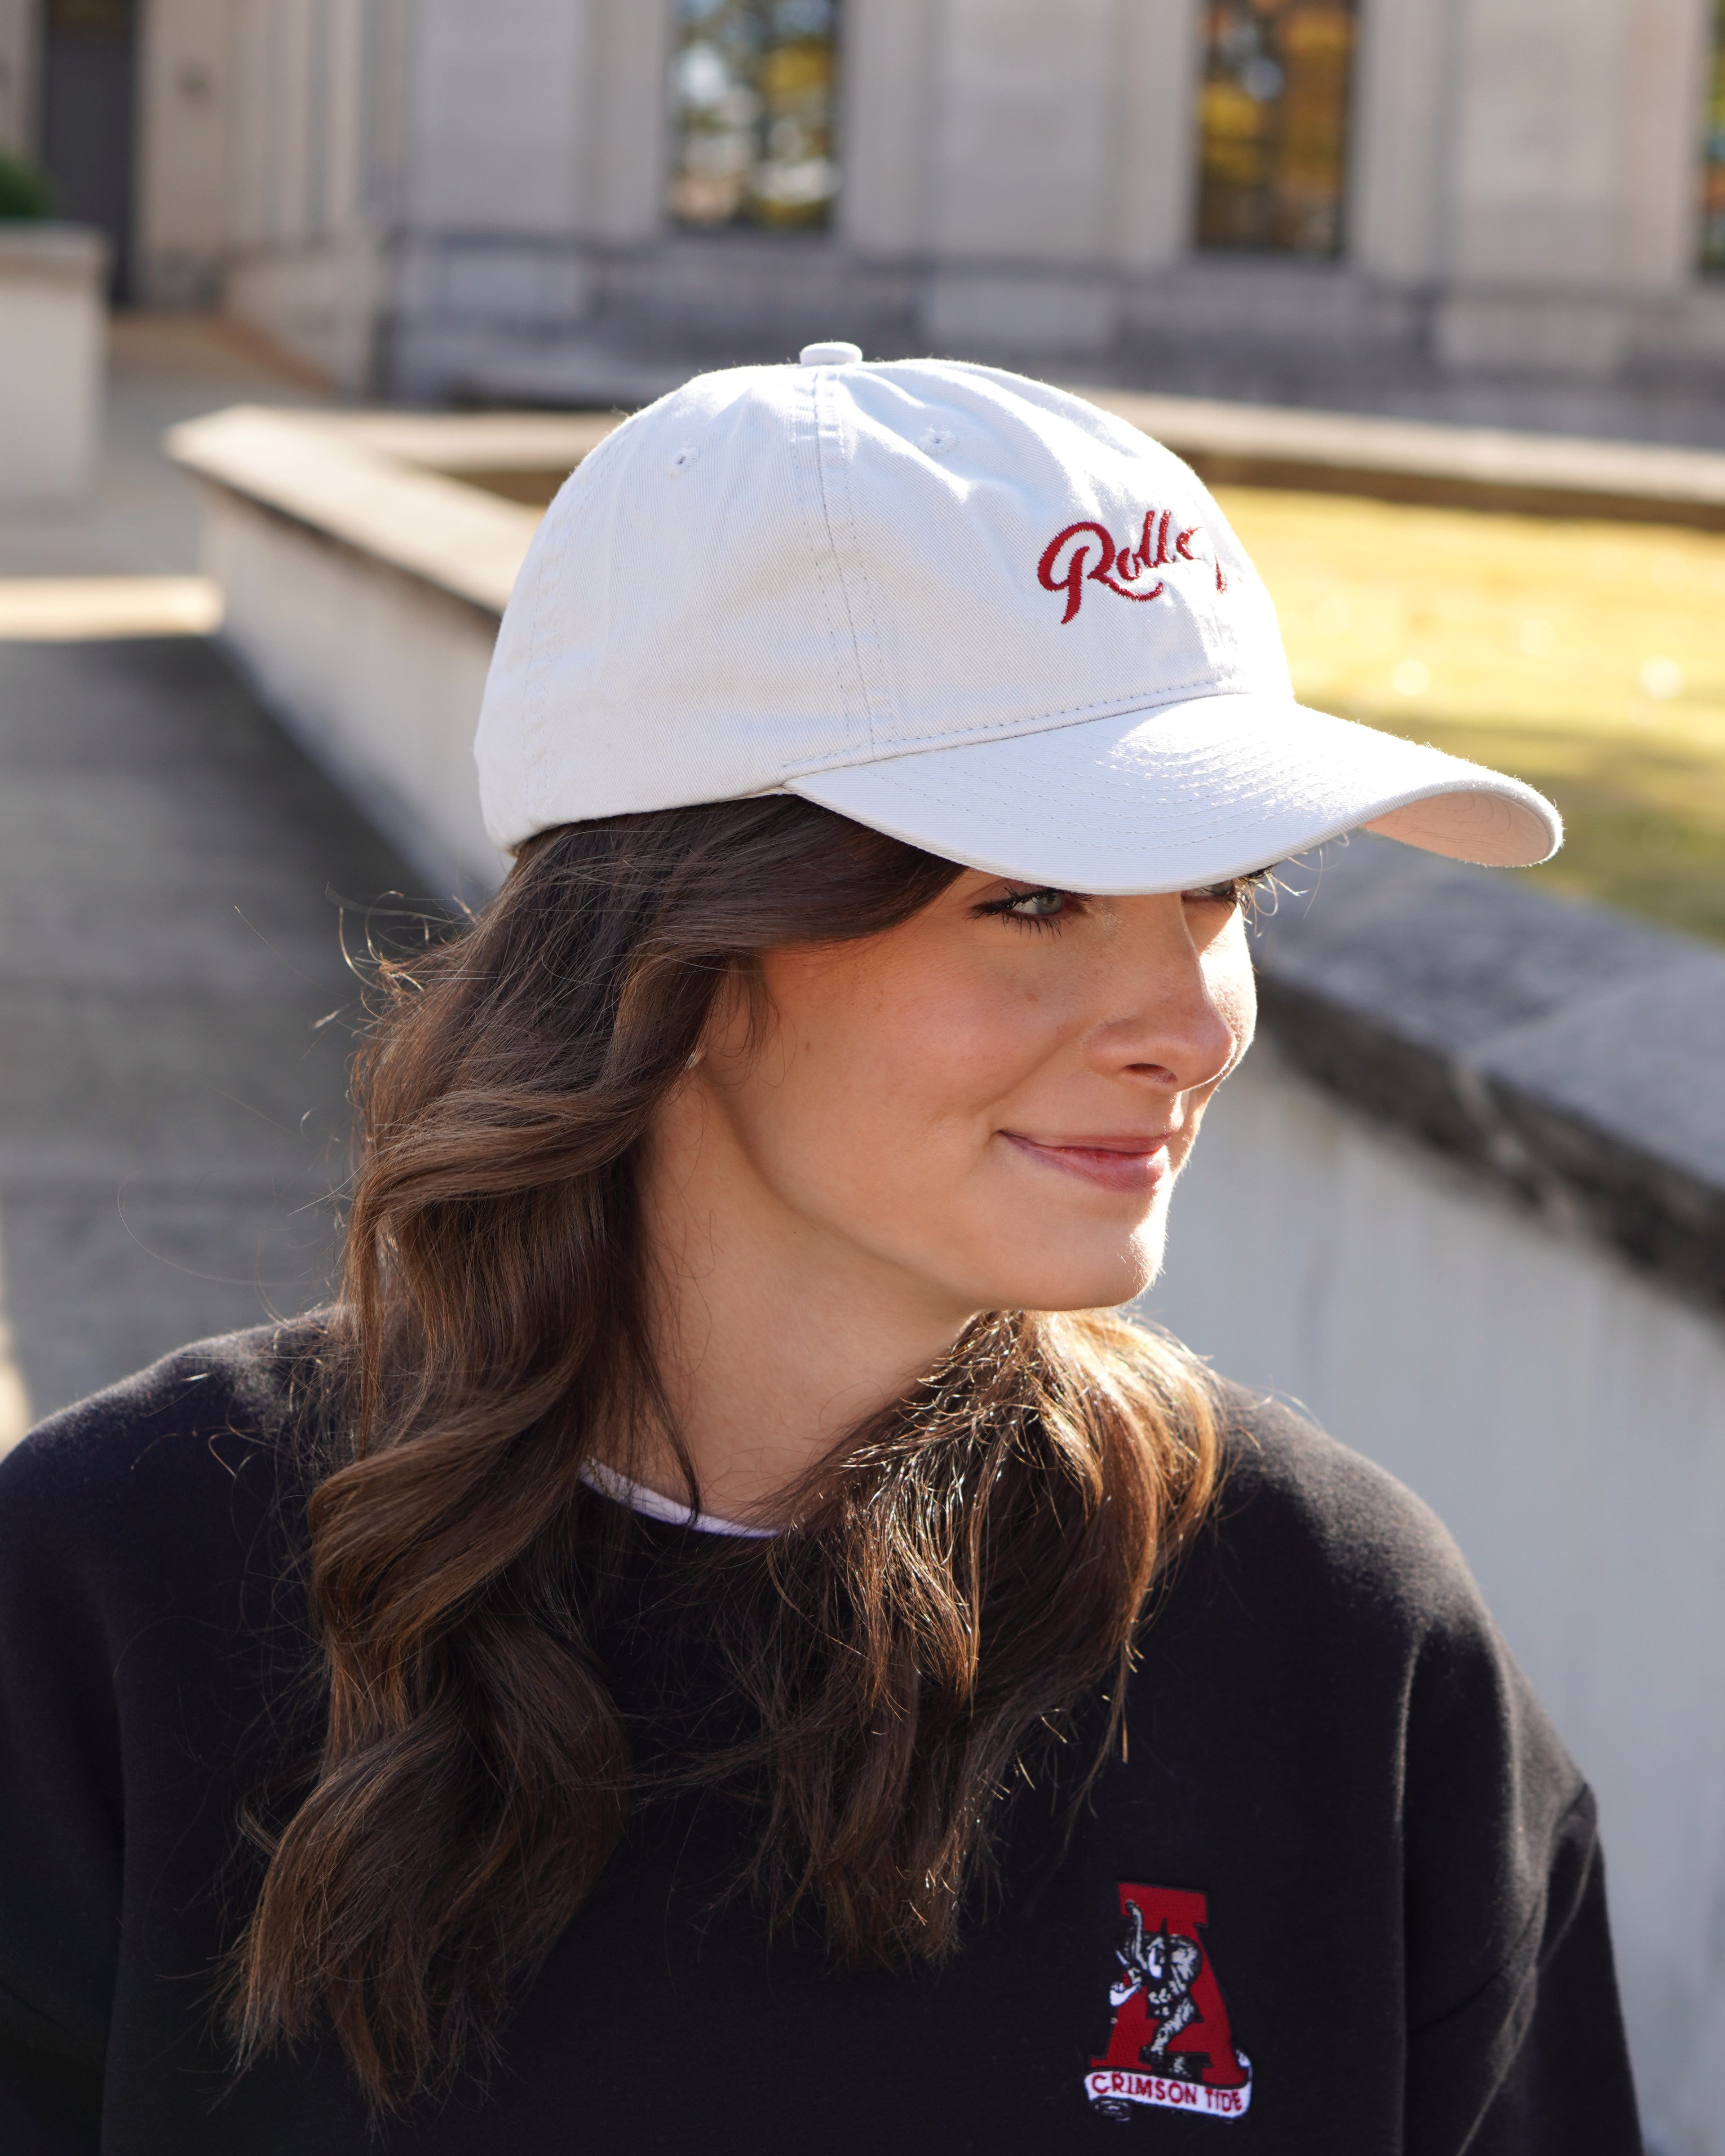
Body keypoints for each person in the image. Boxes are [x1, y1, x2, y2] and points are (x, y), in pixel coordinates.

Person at [0, 346, 1641, 2155]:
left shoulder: (1351, 1651)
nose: (1191, 1022)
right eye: (1031, 899)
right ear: (676, 953)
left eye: (1218, 895)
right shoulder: (120, 1600)